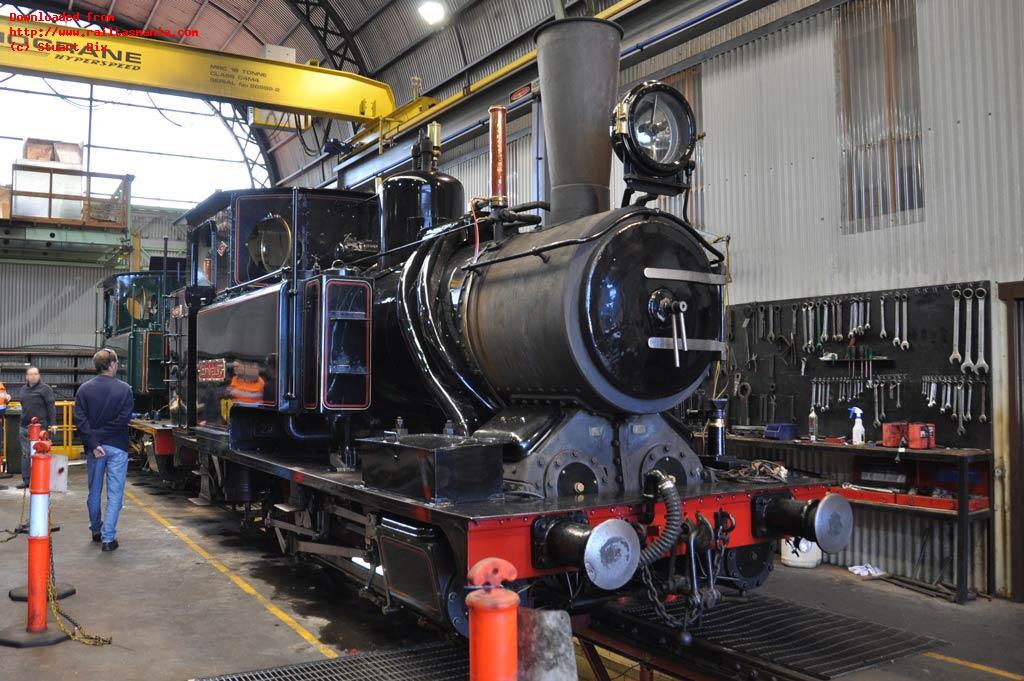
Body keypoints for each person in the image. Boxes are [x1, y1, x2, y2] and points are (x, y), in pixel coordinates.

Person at [73, 349, 134, 552]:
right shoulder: (125, 389)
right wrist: (102, 438)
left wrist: (94, 442)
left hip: (94, 449)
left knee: (95, 491)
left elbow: (80, 421)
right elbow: (123, 420)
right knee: (115, 493)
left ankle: (96, 531)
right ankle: (108, 539)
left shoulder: (83, 390)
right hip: (117, 447)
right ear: (113, 364)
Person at [15, 366, 56, 489]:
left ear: (39, 376)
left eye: (35, 374)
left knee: (40, 453)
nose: (33, 376)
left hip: (41, 428)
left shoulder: (45, 389)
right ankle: (26, 481)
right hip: (24, 427)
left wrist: (53, 423)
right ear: (26, 377)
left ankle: (41, 479)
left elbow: (51, 407)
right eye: (30, 374)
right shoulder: (23, 389)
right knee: (25, 454)